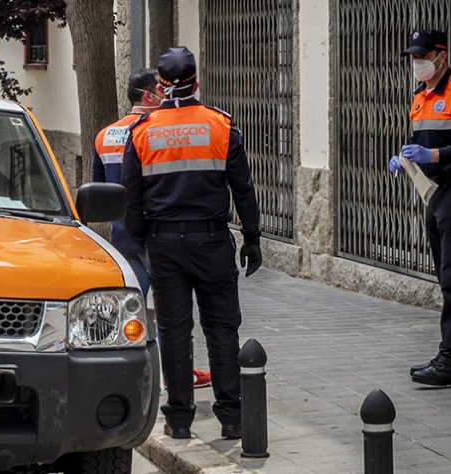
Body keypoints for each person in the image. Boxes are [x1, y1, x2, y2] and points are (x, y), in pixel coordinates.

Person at [122, 47, 262, 440]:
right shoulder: (220, 126)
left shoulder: (143, 132)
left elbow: (130, 196)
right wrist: (252, 239)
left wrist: (138, 244)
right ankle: (231, 417)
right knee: (221, 329)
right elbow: (243, 190)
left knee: (174, 331)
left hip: (164, 246)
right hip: (212, 242)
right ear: (196, 81)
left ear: (161, 87)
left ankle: (179, 419)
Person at [92, 68, 212, 389]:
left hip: (122, 239)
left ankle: (121, 374)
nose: (167, 97)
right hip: (158, 236)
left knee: (126, 309)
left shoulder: (104, 136)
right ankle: (175, 375)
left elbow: (101, 192)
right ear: (149, 96)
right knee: (173, 312)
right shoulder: (155, 132)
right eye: (161, 91)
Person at [389, 29, 451, 387]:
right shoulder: (420, 96)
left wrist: (434, 155)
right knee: (447, 276)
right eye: (414, 57)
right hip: (434, 194)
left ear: (441, 56)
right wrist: (405, 158)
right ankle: (450, 352)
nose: (417, 63)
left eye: (423, 56)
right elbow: (421, 140)